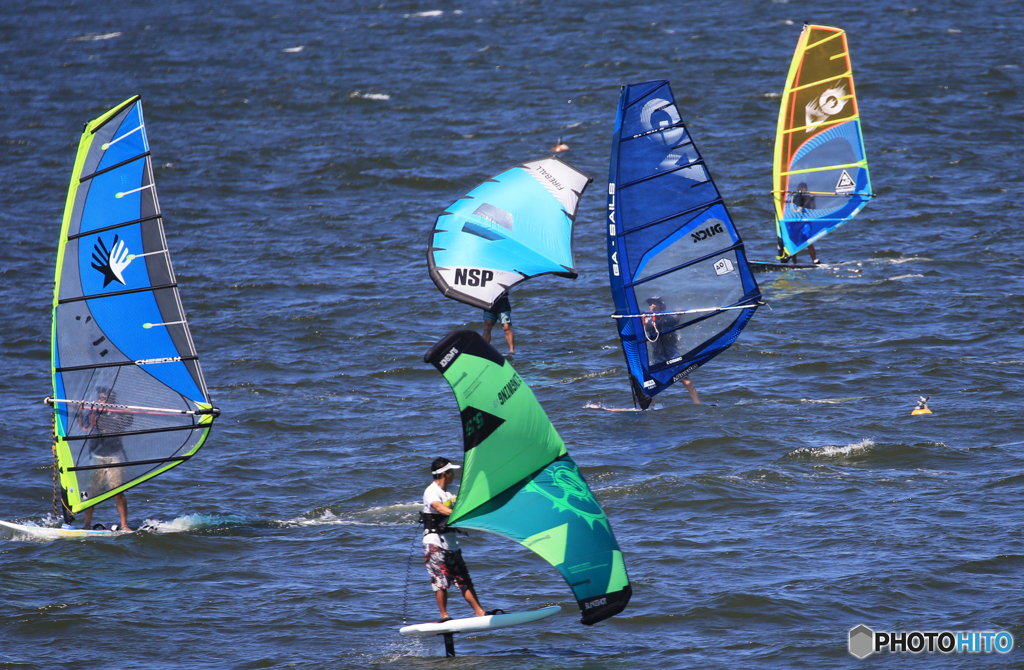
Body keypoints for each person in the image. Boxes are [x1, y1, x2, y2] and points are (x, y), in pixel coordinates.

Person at [421, 457, 494, 622]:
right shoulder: (431, 491)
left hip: (452, 543)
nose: (454, 475)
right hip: (434, 543)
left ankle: (480, 612)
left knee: (464, 579)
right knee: (441, 581)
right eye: (452, 472)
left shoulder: (454, 489)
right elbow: (439, 508)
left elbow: (472, 496)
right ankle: (444, 615)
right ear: (445, 474)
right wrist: (460, 515)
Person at [81, 387, 133, 531]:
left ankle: (124, 525)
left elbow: (129, 422)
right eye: (100, 398)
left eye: (105, 399)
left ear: (112, 400)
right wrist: (87, 409)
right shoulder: (94, 412)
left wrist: (127, 413)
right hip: (97, 456)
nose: (102, 401)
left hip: (114, 456)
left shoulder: (118, 413)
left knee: (117, 491)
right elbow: (85, 423)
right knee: (91, 491)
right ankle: (87, 524)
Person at [643, 297, 700, 405]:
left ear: (661, 305)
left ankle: (699, 405)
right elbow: (644, 327)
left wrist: (679, 313)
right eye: (650, 303)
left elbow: (676, 318)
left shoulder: (667, 318)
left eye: (655, 303)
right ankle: (650, 408)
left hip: (672, 354)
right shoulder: (646, 320)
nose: (652, 305)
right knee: (655, 385)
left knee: (687, 382)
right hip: (658, 355)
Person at [791, 183, 820, 265]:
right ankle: (794, 263)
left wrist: (812, 199)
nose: (801, 191)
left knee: (808, 240)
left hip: (805, 222)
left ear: (805, 189)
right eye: (799, 189)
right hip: (795, 221)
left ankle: (814, 260)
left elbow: (813, 208)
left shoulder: (808, 197)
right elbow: (797, 207)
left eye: (802, 189)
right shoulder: (795, 197)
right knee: (793, 241)